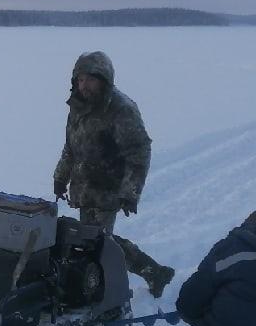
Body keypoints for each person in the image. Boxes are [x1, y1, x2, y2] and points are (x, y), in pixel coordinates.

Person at [52, 51, 175, 298]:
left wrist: (130, 192)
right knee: (96, 238)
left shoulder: (121, 109)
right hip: (84, 187)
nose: (84, 85)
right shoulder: (78, 106)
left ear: (104, 79)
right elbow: (71, 147)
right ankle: (154, 271)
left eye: (90, 79)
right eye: (80, 79)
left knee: (96, 243)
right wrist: (60, 177)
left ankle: (101, 291)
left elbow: (139, 151)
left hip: (108, 188)